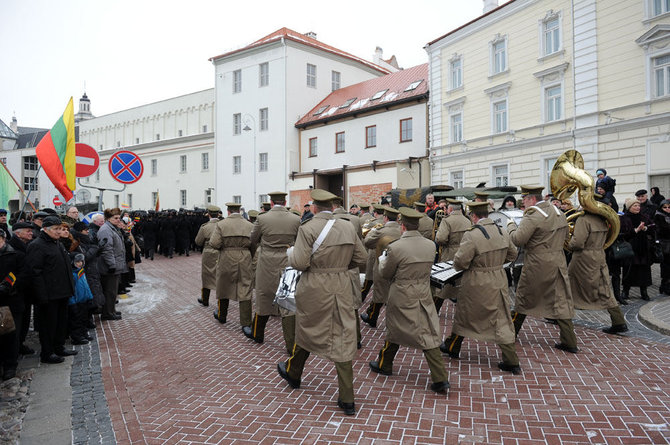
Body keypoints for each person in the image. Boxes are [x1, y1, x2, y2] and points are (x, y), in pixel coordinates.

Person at [277, 189, 367, 416]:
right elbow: (361, 259)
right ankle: (347, 397)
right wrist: (339, 268)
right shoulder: (347, 226)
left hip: (315, 287)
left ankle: (294, 372)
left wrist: (291, 254)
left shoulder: (308, 228)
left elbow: (299, 262)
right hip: (342, 286)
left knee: (308, 329)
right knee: (343, 336)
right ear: (332, 207)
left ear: (315, 207)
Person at [368, 207, 450, 392]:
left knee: (399, 328)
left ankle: (439, 378)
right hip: (423, 290)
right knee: (424, 330)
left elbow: (386, 273)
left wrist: (382, 261)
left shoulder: (396, 247)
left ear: (402, 225)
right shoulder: (430, 245)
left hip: (402, 292)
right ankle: (385, 362)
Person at [440, 201, 521, 374]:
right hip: (498, 279)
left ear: (474, 216)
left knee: (465, 314)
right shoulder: (502, 231)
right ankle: (511, 360)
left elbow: (460, 262)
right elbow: (513, 254)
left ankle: (453, 346)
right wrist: (496, 264)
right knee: (501, 319)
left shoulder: (472, 235)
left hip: (476, 281)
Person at [507, 185, 577, 354]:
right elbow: (567, 237)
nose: (523, 202)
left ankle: (509, 334)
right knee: (560, 301)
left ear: (531, 199)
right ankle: (569, 341)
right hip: (558, 261)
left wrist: (510, 225)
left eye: (524, 199)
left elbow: (518, 239)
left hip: (537, 263)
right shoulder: (558, 212)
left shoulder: (533, 215)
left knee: (523, 299)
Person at [245, 191, 301, 353]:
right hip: (288, 260)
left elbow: (252, 240)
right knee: (288, 300)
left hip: (267, 260)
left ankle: (258, 333)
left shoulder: (262, 218)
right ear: (284, 202)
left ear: (271, 202)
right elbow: (299, 241)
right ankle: (291, 345)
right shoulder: (296, 219)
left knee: (264, 297)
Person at [567, 201, 628, 334]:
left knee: (566, 286)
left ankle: (560, 317)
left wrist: (567, 243)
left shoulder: (583, 220)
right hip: (599, 254)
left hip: (583, 257)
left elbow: (577, 243)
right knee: (604, 288)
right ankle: (619, 321)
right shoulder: (602, 219)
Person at [25, 216, 77, 364]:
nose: (59, 232)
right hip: (49, 294)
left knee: (61, 323)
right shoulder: (37, 245)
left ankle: (59, 347)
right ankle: (47, 353)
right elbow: (35, 272)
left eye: (60, 229)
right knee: (48, 325)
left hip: (62, 291)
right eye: (56, 229)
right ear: (45, 229)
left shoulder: (57, 243)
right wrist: (41, 295)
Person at [209, 203, 254, 327]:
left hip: (226, 258)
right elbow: (254, 245)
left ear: (228, 211)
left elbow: (214, 243)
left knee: (224, 286)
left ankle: (222, 315)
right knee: (245, 288)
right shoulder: (249, 225)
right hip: (245, 257)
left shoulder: (221, 224)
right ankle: (246, 322)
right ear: (239, 211)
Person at [360, 207, 402, 328]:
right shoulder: (401, 230)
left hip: (382, 264)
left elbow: (367, 242)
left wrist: (373, 232)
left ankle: (373, 317)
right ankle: (371, 315)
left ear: (386, 218)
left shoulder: (381, 230)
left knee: (379, 293)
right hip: (398, 266)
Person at [434, 199, 472, 312]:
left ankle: (434, 311)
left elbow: (440, 239)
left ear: (450, 209)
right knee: (462, 285)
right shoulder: (467, 220)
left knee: (443, 287)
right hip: (465, 253)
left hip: (449, 254)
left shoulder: (447, 221)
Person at [0, 228, 26, 378]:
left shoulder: (16, 255)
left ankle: (10, 365)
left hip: (10, 302)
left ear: (4, 239)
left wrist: (9, 285)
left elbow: (23, 274)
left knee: (10, 334)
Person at [620, 197, 654, 301]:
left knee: (643, 271)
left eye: (638, 205)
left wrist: (646, 228)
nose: (638, 207)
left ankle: (644, 291)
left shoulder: (644, 217)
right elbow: (623, 234)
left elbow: (653, 227)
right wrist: (635, 230)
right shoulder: (624, 218)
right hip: (630, 247)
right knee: (629, 270)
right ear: (629, 207)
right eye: (635, 205)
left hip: (642, 247)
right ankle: (626, 291)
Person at [97, 208, 126, 321]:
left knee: (113, 291)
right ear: (108, 218)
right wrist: (112, 265)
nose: (118, 220)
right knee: (109, 291)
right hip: (109, 266)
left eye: (119, 218)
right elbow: (107, 249)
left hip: (116, 264)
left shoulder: (112, 228)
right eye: (116, 218)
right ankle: (107, 313)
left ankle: (111, 310)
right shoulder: (106, 230)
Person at [194, 206, 221, 307]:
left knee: (206, 277)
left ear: (208, 214)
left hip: (208, 254)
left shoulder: (205, 227)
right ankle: (221, 303)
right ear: (218, 214)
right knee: (220, 277)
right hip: (220, 252)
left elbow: (198, 241)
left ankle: (205, 299)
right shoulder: (223, 225)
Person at [68, 253, 94, 345]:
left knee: (84, 318)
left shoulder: (81, 271)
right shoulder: (72, 274)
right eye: (77, 261)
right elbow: (70, 290)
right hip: (77, 300)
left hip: (84, 299)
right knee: (76, 320)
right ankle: (77, 337)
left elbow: (86, 286)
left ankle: (83, 333)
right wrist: (72, 302)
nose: (80, 263)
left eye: (81, 261)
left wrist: (90, 297)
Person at [655, 199, 670, 296]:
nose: (667, 209)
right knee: (666, 266)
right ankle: (665, 286)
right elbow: (662, 230)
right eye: (665, 207)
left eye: (669, 207)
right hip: (665, 245)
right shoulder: (659, 216)